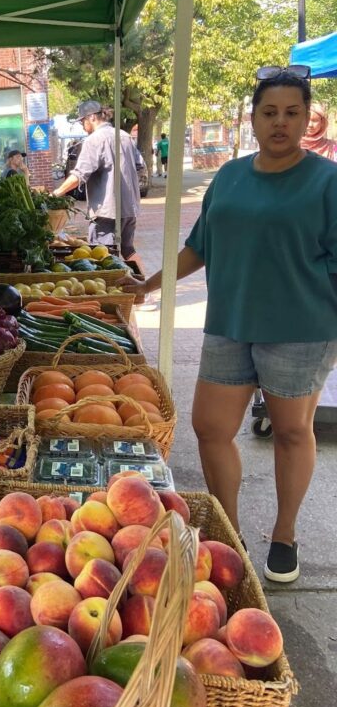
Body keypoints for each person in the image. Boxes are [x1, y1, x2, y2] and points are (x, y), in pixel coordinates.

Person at [128, 66, 337, 583]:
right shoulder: (229, 176)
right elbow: (200, 246)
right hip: (229, 322)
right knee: (211, 428)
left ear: (306, 119)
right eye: (270, 112)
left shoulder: (327, 181)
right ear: (254, 118)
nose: (280, 123)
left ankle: (284, 536)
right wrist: (148, 285)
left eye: (292, 113)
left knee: (292, 431)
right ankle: (229, 534)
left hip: (300, 329)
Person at [52, 99, 143, 259]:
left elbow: (79, 175)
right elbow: (139, 165)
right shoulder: (125, 136)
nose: (82, 125)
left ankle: (117, 276)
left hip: (107, 210)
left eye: (82, 121)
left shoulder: (93, 140)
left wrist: (57, 193)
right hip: (130, 207)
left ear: (92, 117)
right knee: (128, 249)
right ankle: (143, 275)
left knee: (101, 255)